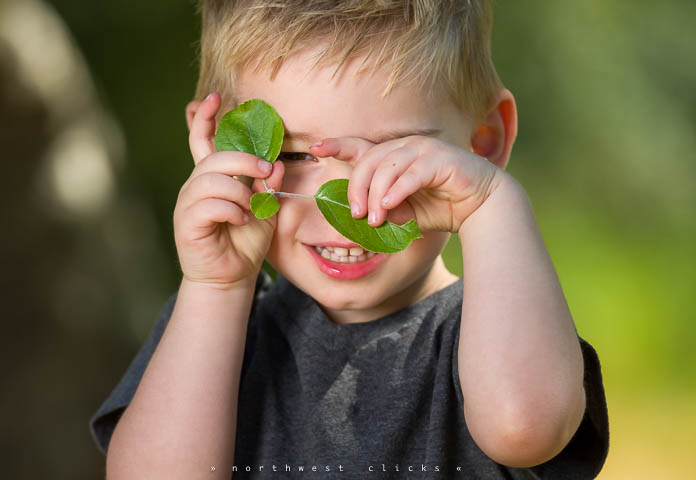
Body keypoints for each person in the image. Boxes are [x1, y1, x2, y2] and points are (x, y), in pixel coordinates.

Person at [90, 1, 609, 478]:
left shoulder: (498, 330)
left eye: (392, 155)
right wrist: (217, 289)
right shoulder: (213, 330)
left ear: (484, 142)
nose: (341, 206)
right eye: (291, 157)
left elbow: (525, 429)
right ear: (213, 146)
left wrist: (493, 203)